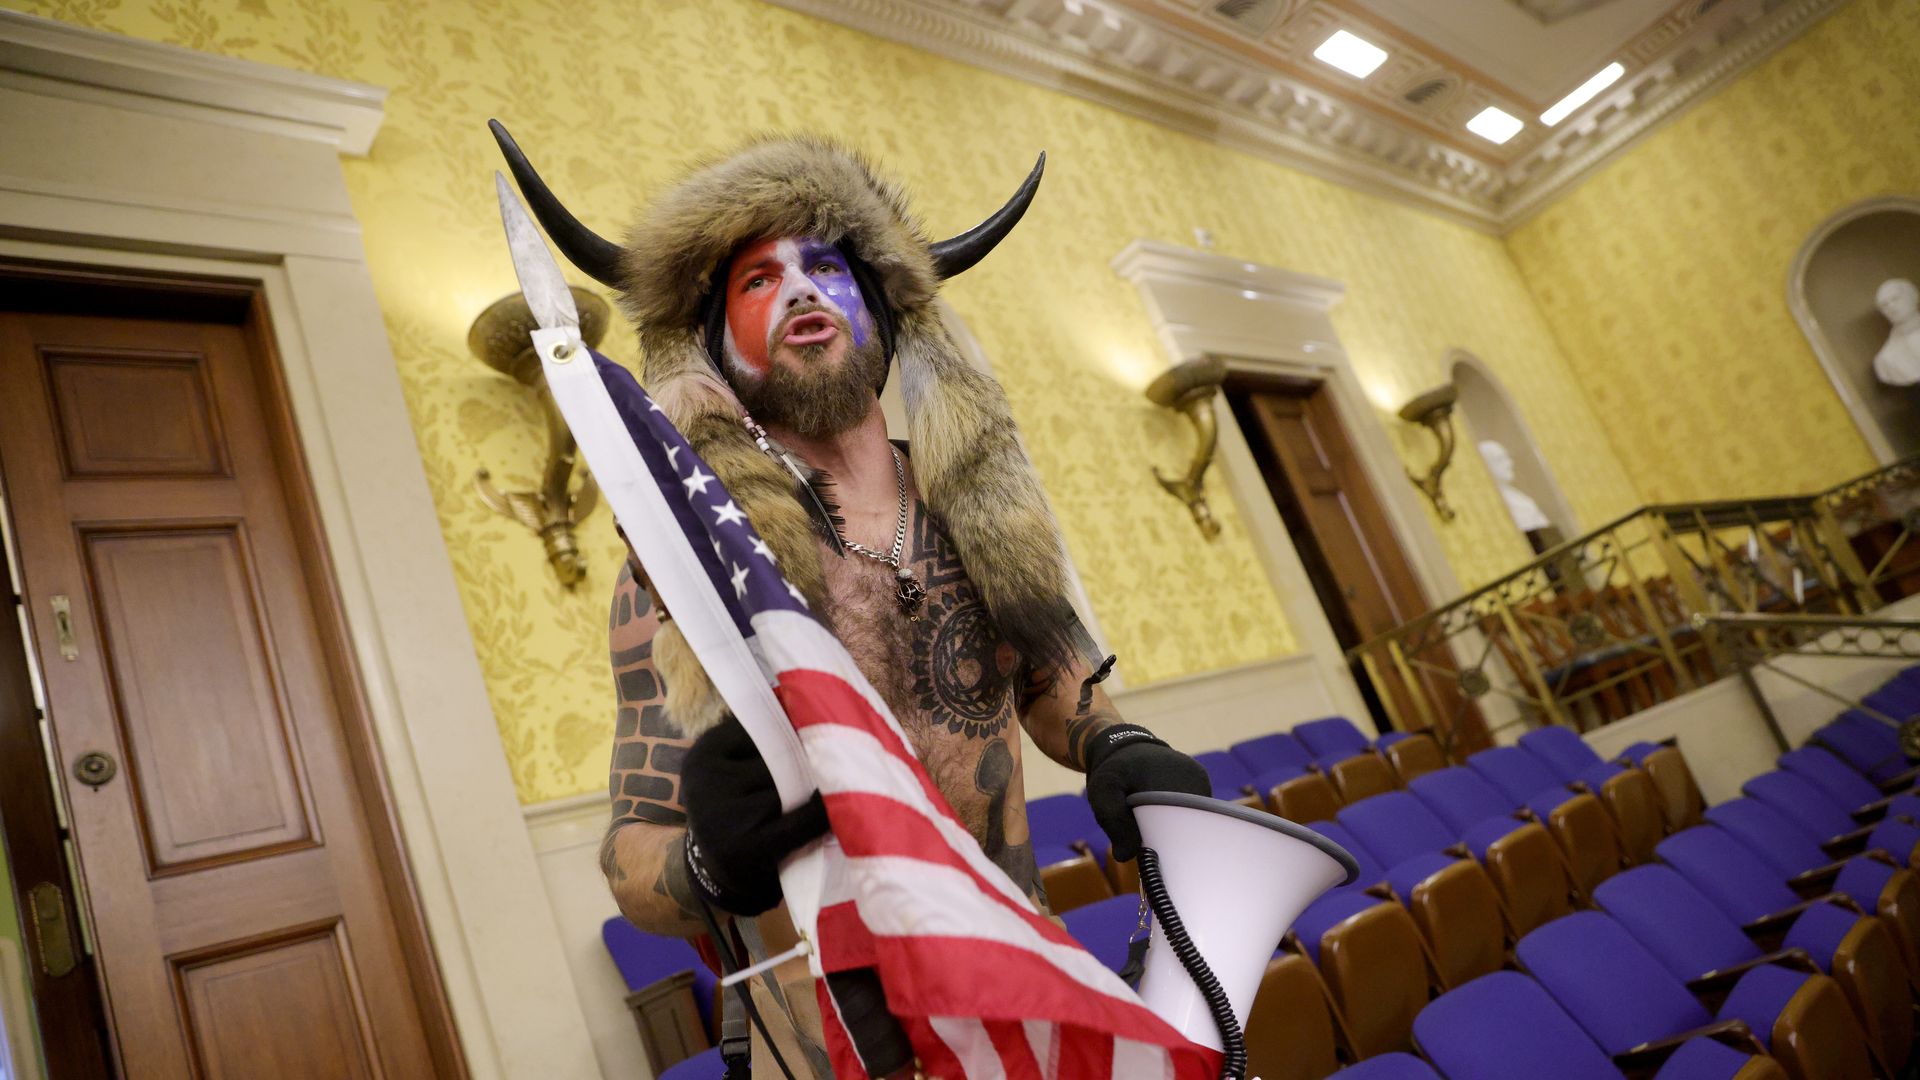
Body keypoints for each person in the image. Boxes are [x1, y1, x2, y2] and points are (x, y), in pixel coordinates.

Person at [492, 126, 1210, 1076]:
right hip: (831, 1045)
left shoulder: (984, 516)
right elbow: (633, 863)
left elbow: (1061, 691)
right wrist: (707, 864)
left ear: (878, 308)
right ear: (714, 346)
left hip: (1015, 1011)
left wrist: (1120, 746)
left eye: (824, 264)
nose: (797, 289)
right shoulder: (687, 566)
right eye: (756, 280)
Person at [1872, 278, 1920, 388]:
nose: (1891, 307)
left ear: (1913, 296)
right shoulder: (1886, 359)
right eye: (1884, 305)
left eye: (1895, 298)